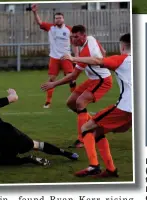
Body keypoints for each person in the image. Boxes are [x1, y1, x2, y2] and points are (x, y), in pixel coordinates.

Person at [61, 33, 131, 177]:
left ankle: (93, 166)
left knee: (86, 128)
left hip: (125, 108)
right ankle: (111, 170)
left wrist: (73, 58)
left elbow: (96, 60)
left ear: (122, 46)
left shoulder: (122, 59)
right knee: (98, 131)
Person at [41, 25, 113, 149]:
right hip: (93, 79)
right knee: (71, 103)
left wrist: (53, 84)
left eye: (76, 37)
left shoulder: (85, 52)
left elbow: (72, 76)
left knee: (80, 102)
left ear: (83, 36)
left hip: (102, 80)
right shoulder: (90, 38)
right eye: (72, 37)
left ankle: (83, 139)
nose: (73, 40)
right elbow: (104, 52)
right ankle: (96, 125)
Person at [31, 4, 78, 108]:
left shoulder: (69, 30)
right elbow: (39, 22)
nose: (58, 20)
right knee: (52, 79)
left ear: (63, 19)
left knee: (71, 79)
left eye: (60, 18)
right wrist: (34, 12)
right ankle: (48, 101)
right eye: (56, 18)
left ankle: (74, 101)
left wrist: (76, 57)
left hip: (66, 58)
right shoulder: (50, 28)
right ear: (54, 20)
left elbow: (74, 44)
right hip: (54, 58)